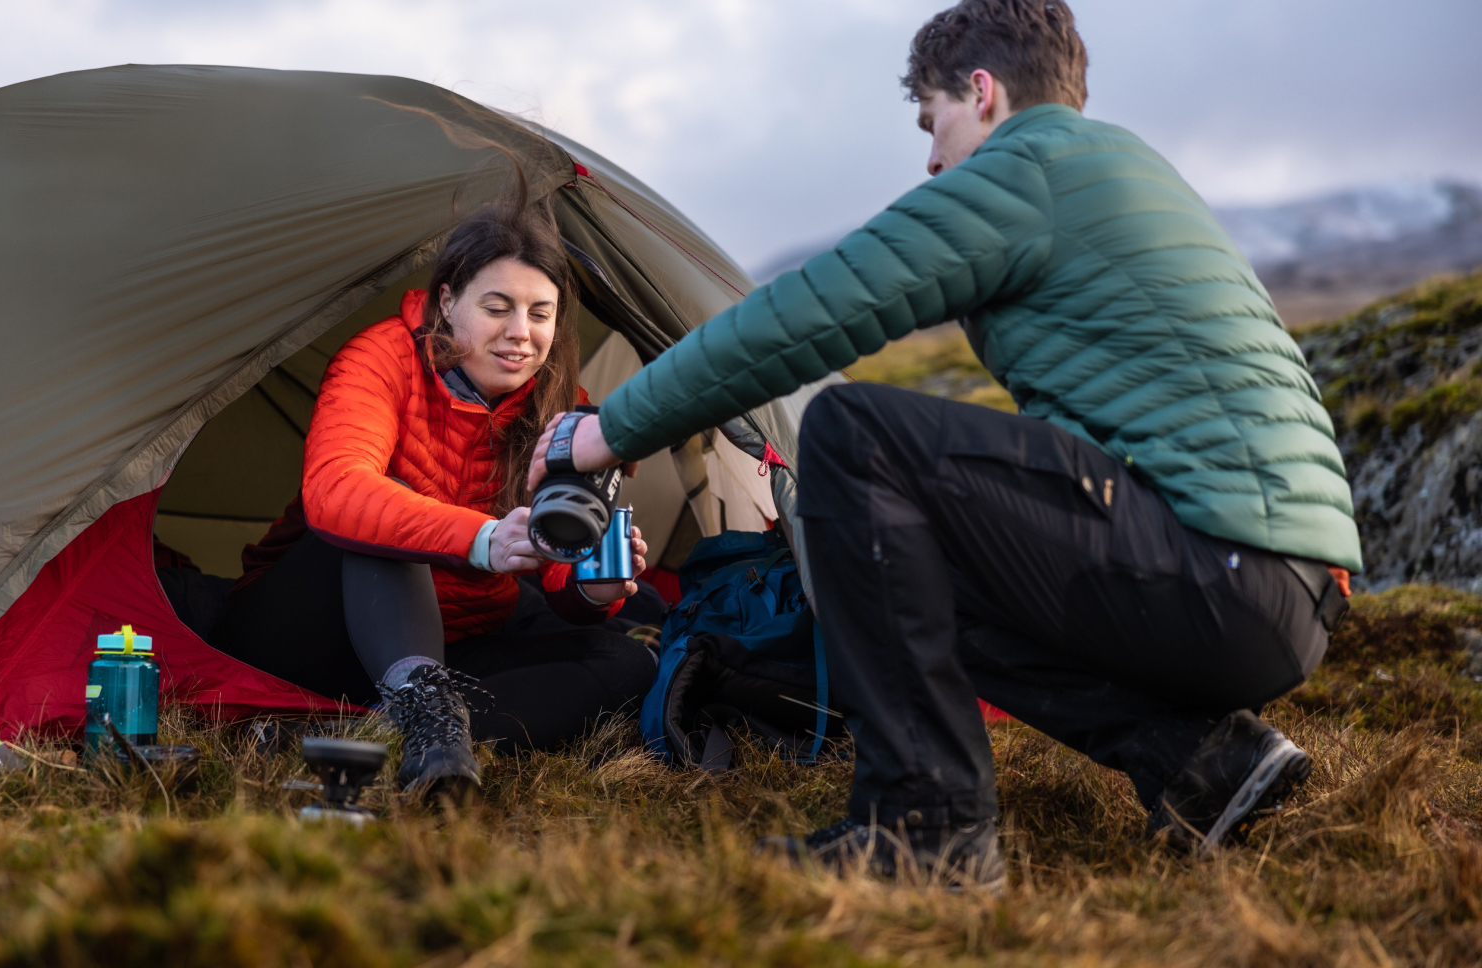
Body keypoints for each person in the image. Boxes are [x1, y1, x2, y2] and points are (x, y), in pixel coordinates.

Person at [531, 0, 1359, 885]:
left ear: (983, 90)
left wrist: (606, 430)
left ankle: (923, 824)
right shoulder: (1117, 170)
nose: (930, 156)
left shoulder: (1029, 169)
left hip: (1219, 571)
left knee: (855, 432)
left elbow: (803, 317)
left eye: (934, 122)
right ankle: (1203, 762)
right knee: (924, 562)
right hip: (1276, 593)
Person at [211, 191, 658, 802]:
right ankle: (420, 715)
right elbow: (336, 489)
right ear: (447, 302)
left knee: (628, 665)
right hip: (313, 626)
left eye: (541, 313)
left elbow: (557, 570)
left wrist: (592, 589)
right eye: (497, 307)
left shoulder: (562, 405)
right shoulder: (383, 357)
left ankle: (397, 735)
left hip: (457, 643)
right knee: (378, 510)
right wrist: (482, 539)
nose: (520, 334)